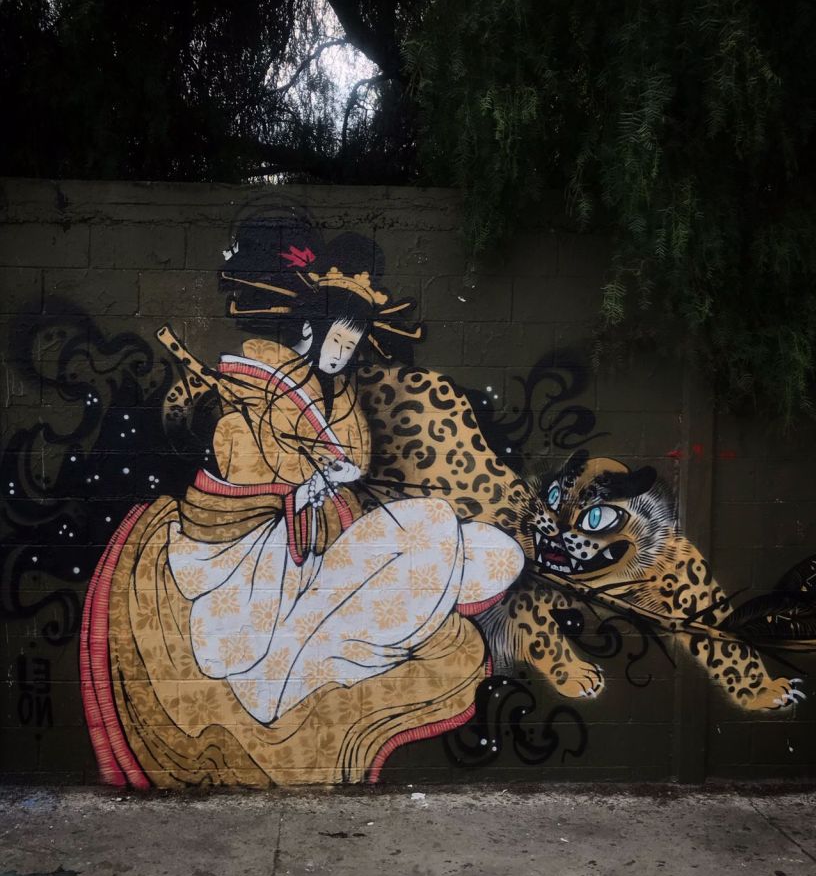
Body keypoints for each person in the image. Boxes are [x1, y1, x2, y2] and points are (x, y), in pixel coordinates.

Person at [81, 214, 524, 787]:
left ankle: (323, 650)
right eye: (337, 338)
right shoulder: (263, 373)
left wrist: (334, 475)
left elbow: (356, 455)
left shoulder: (339, 398)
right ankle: (284, 672)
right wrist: (302, 483)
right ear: (313, 328)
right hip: (251, 543)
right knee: (422, 535)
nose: (342, 352)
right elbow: (238, 454)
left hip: (317, 534)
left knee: (473, 542)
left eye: (352, 344)